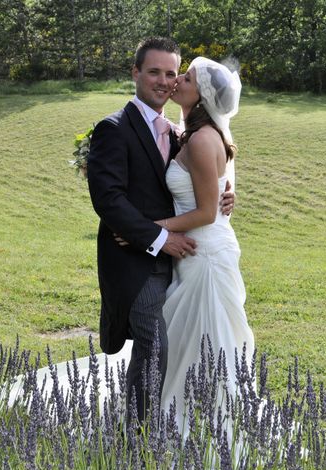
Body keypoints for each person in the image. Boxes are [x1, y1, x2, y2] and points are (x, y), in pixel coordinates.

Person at [86, 38, 235, 423]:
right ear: (135, 73)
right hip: (137, 263)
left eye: (173, 73)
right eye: (154, 72)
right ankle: (135, 440)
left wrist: (224, 194)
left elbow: (201, 183)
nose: (165, 81)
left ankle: (183, 421)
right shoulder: (112, 129)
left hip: (185, 257)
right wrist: (158, 237)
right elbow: (110, 201)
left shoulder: (177, 132)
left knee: (189, 342)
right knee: (155, 345)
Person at [156, 56, 255, 437]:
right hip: (199, 249)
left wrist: (149, 230)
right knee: (190, 338)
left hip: (205, 254)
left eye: (187, 77)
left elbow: (205, 213)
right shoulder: (193, 132)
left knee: (207, 339)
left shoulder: (201, 139)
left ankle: (204, 430)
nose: (178, 80)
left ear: (202, 97)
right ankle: (184, 420)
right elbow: (215, 197)